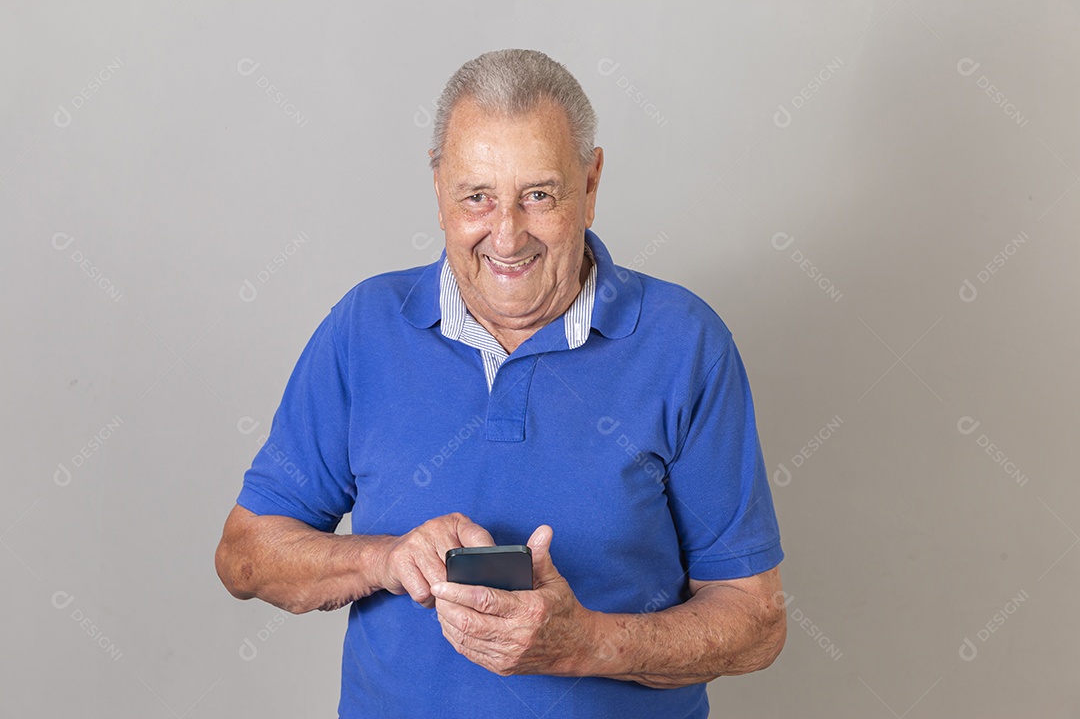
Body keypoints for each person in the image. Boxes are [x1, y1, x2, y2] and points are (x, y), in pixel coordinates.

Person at [216, 48, 786, 718]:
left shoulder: (686, 343)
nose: (507, 237)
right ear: (438, 189)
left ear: (591, 184)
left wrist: (584, 645)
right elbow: (245, 556)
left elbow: (756, 621)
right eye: (477, 197)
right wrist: (388, 559)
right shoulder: (363, 329)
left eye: (538, 195)